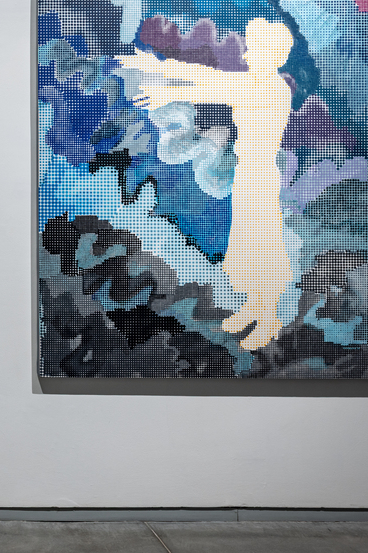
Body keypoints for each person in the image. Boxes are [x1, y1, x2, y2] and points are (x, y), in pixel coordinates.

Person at [117, 18, 295, 350]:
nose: (247, 55)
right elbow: (207, 76)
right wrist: (155, 65)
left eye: (255, 50)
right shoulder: (256, 81)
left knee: (262, 245)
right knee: (246, 243)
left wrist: (166, 91)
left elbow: (211, 88)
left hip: (260, 176)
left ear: (274, 55)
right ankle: (254, 306)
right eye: (250, 48)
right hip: (248, 173)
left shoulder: (270, 89)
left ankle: (269, 318)